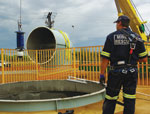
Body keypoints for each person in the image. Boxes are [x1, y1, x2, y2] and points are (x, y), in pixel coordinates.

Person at [100, 15, 147, 114]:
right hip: (132, 72)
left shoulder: (111, 37)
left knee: (110, 98)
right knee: (129, 99)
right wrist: (132, 61)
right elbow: (144, 59)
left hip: (116, 73)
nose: (116, 25)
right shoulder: (137, 38)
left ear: (120, 23)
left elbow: (105, 58)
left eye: (117, 23)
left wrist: (102, 74)